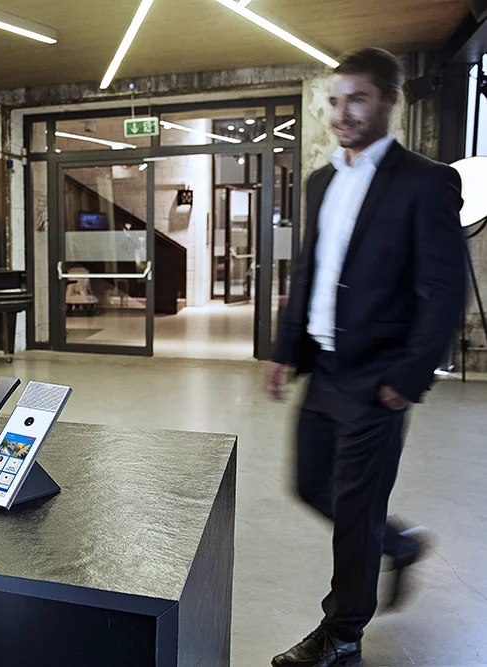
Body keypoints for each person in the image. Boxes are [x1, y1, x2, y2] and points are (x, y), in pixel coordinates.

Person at [266, 48, 467, 666]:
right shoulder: (322, 180)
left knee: (355, 512)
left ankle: (342, 636)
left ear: (390, 101)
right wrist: (283, 350)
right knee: (308, 484)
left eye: (357, 98)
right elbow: (309, 271)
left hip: (380, 379)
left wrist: (409, 376)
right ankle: (399, 544)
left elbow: (444, 290)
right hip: (325, 368)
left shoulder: (426, 182)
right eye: (334, 100)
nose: (342, 113)